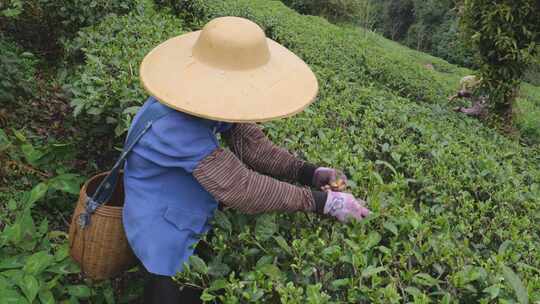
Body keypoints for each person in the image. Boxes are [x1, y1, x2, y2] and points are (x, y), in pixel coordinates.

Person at [123, 16, 370, 303]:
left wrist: (310, 172)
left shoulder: (207, 101)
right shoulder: (174, 126)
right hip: (161, 230)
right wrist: (323, 203)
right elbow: (241, 187)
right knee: (168, 288)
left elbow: (254, 147)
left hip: (186, 213)